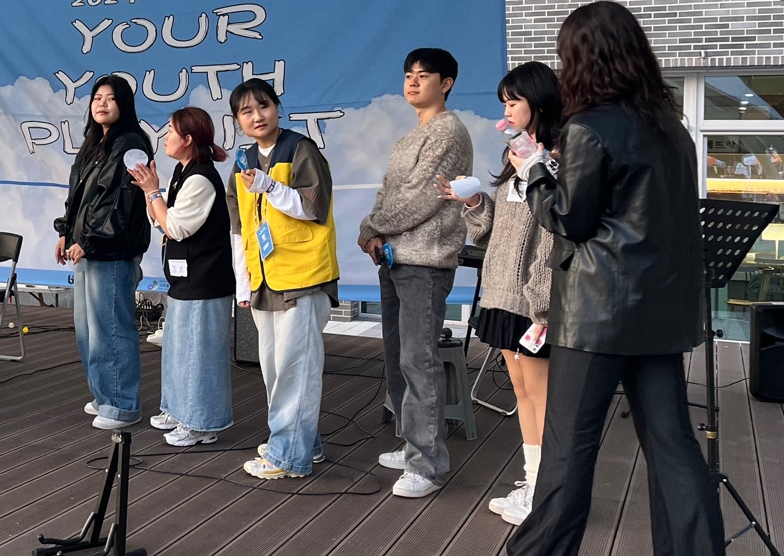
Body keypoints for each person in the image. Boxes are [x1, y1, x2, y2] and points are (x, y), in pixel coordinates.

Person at [478, 1, 726, 556]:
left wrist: (535, 172)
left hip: (597, 313)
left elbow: (569, 218)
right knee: (674, 448)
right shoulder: (671, 127)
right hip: (659, 315)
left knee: (569, 448)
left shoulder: (589, 128)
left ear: (584, 58)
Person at [435, 61, 561, 523]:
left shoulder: (556, 162)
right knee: (522, 392)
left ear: (539, 103)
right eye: (504, 103)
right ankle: (534, 481)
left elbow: (555, 233)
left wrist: (543, 303)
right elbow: (492, 232)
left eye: (513, 102)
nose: (506, 111)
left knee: (543, 396)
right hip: (502, 294)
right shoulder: (517, 159)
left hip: (535, 300)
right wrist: (472, 201)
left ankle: (548, 491)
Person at [358, 48, 473, 498]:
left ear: (446, 83)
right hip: (395, 257)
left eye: (424, 75)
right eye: (409, 74)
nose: (413, 81)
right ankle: (412, 444)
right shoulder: (410, 137)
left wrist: (373, 227)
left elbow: (422, 199)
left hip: (425, 261)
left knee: (419, 359)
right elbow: (388, 193)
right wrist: (372, 230)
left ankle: (426, 465)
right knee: (397, 356)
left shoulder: (448, 132)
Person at [228, 77, 339, 479]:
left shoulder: (300, 149)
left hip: (303, 277)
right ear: (237, 120)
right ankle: (303, 443)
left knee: (296, 369)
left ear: (277, 107)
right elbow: (239, 227)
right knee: (275, 369)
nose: (257, 116)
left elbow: (314, 208)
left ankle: (287, 455)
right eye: (246, 111)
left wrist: (270, 186)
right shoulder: (243, 160)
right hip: (264, 280)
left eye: (264, 106)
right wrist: (243, 283)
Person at [130, 106, 235, 447]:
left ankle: (202, 423)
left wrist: (153, 192)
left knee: (199, 354)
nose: (165, 137)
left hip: (206, 280)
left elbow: (175, 227)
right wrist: (150, 190)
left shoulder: (201, 178)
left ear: (188, 139)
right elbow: (161, 219)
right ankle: (178, 409)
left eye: (171, 132)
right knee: (177, 349)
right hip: (184, 280)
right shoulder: (182, 171)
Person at [55, 74, 153, 430]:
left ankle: (122, 405)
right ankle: (104, 396)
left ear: (124, 104)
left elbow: (119, 203)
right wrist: (66, 232)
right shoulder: (95, 143)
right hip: (88, 248)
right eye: (97, 97)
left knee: (110, 329)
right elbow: (79, 197)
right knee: (88, 330)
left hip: (110, 251)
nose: (102, 103)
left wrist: (90, 239)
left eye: (110, 98)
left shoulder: (130, 143)